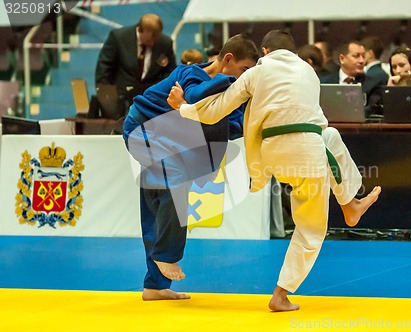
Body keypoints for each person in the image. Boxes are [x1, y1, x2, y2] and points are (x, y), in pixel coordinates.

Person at [168, 30, 381, 312]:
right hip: (305, 149)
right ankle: (280, 295)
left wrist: (183, 107)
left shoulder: (258, 70)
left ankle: (349, 202)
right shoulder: (310, 72)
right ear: (294, 53)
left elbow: (219, 107)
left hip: (271, 152)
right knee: (311, 228)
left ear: (266, 51)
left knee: (331, 137)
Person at [122, 34, 259, 301]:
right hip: (143, 129)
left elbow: (236, 124)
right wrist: (231, 83)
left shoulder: (226, 91)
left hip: (168, 138)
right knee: (175, 183)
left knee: (155, 204)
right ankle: (165, 256)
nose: (245, 78)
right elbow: (195, 97)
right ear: (227, 59)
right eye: (244, 70)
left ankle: (154, 286)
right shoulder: (190, 73)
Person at [95, 14, 177, 110]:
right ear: (140, 30)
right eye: (151, 38)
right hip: (121, 100)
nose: (154, 42)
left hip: (152, 101)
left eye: (157, 37)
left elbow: (170, 73)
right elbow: (104, 68)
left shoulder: (165, 43)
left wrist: (159, 92)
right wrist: (107, 98)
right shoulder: (118, 38)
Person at [360, 36, 389, 116]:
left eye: (362, 54)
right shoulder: (382, 73)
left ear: (370, 54)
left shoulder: (372, 76)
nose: (360, 59)